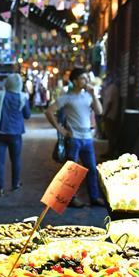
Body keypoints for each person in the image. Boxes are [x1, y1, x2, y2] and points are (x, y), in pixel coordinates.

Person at [46, 67, 106, 207]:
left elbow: (100, 111)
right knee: (72, 170)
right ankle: (71, 198)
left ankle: (94, 197)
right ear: (74, 81)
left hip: (88, 138)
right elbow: (49, 111)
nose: (86, 81)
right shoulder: (66, 98)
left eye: (86, 78)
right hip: (74, 138)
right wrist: (60, 129)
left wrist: (93, 94)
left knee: (91, 168)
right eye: (83, 78)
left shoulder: (88, 96)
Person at [0, 74, 31, 196]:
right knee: (16, 160)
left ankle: (0, 188)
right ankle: (15, 184)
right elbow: (27, 115)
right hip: (16, 133)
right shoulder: (22, 97)